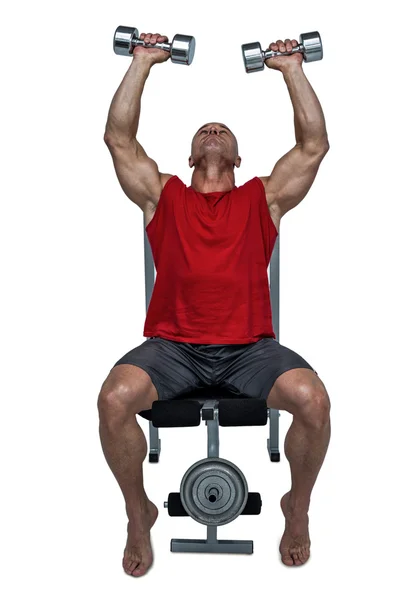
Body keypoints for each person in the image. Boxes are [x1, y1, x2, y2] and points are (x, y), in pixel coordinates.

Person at [100, 32, 330, 577]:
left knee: (314, 402)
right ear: (189, 154)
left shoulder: (263, 198)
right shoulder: (164, 194)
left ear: (236, 155)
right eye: (205, 129)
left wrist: (292, 68)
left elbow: (313, 146)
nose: (213, 130)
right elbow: (118, 139)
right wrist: (143, 61)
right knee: (113, 400)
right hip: (172, 350)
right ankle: (139, 512)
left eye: (222, 130)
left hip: (250, 350)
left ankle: (296, 508)